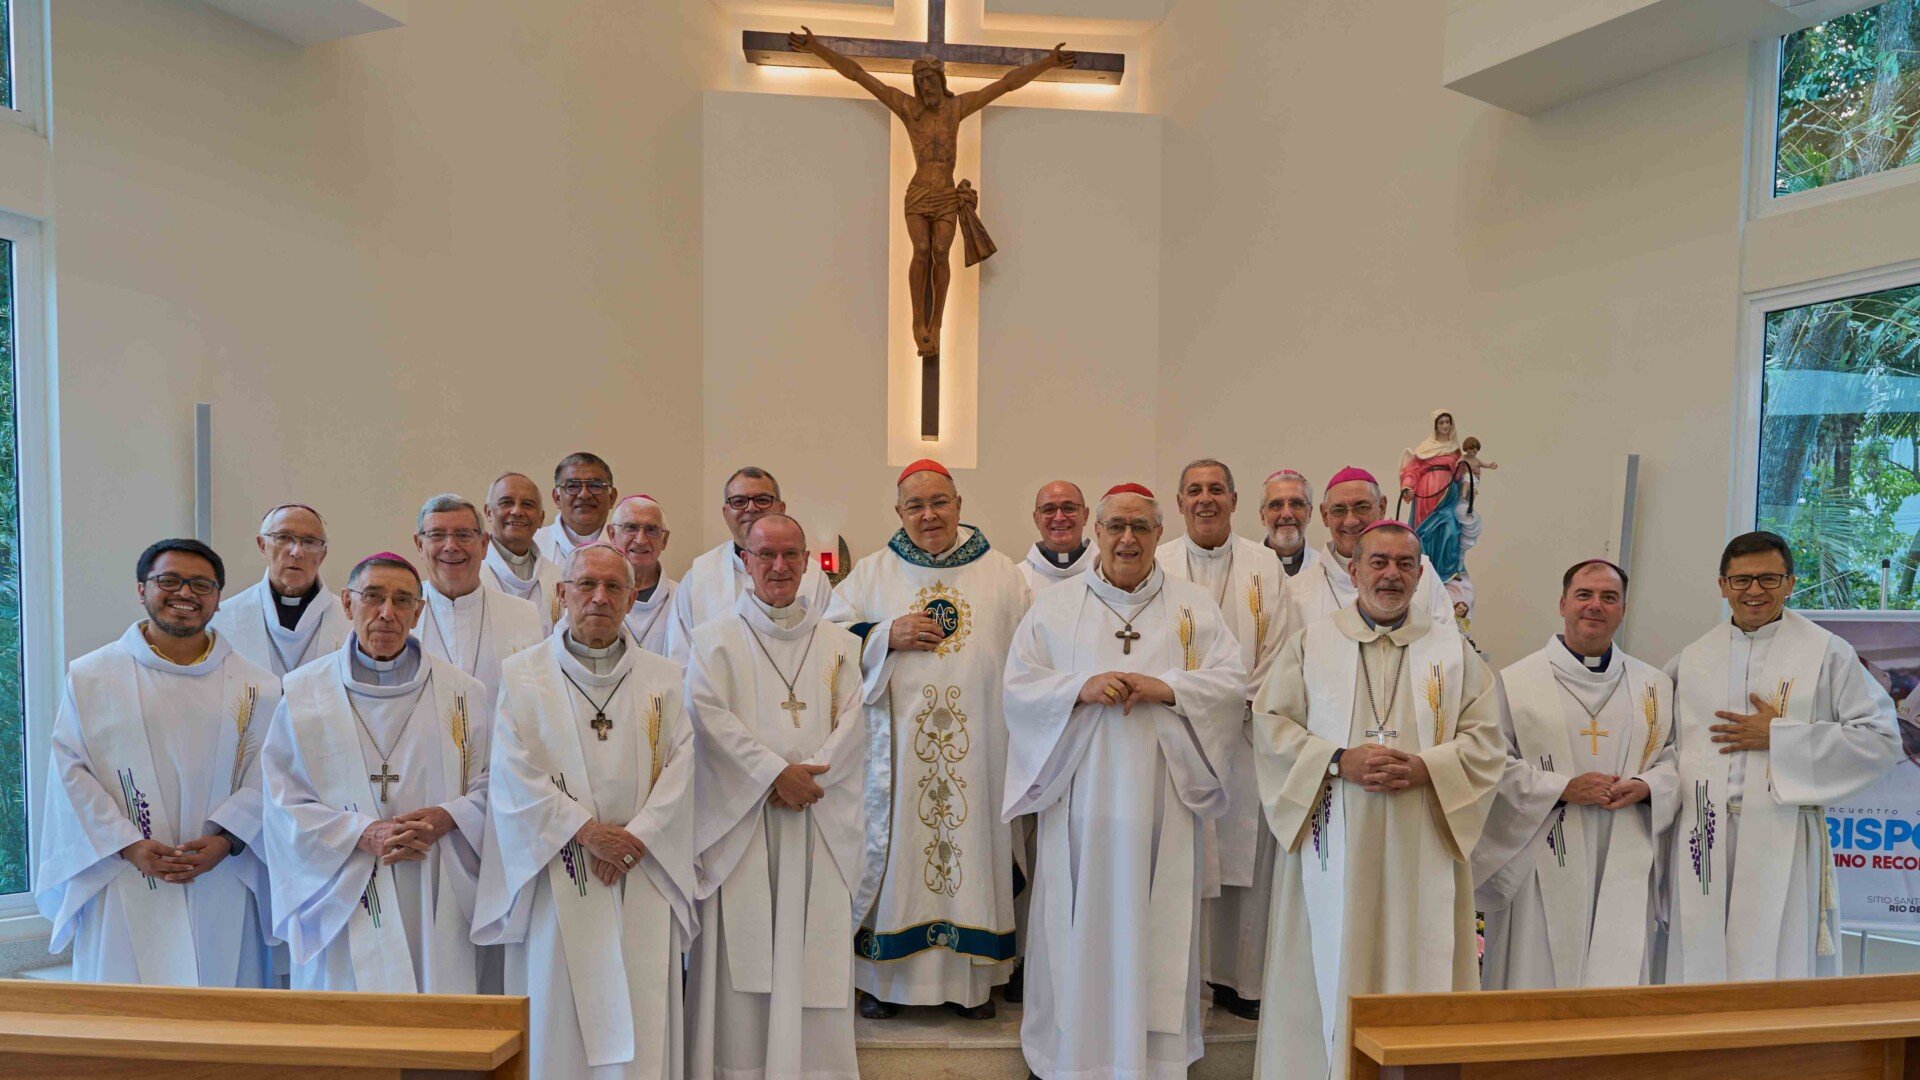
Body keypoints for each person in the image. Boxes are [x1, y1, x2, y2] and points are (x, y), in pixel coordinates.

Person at [1003, 483, 1244, 1080]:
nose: (1127, 539)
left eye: (1140, 527)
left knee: (1155, 923)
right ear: (1098, 532)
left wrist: (1169, 687)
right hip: (1080, 801)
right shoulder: (1054, 609)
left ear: (1160, 534)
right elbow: (1019, 687)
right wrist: (1078, 689)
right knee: (1076, 921)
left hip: (1164, 803)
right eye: (1115, 526)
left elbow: (1230, 684)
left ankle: (1153, 1057)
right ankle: (1070, 1053)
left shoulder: (1194, 608)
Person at [1250, 521, 1505, 1079]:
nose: (1391, 575)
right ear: (1354, 570)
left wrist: (1428, 767)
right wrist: (1338, 760)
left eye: (1405, 564)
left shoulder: (1452, 651)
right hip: (1332, 838)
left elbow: (1488, 742)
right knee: (1330, 959)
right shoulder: (1312, 644)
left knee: (1418, 959)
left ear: (1419, 574)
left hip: (1422, 840)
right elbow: (1270, 727)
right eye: (1379, 562)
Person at [474, 544, 695, 1078]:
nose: (599, 597)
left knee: (640, 1008)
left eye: (613, 587)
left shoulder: (664, 677)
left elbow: (683, 768)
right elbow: (512, 774)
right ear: (562, 593)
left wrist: (635, 839)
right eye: (586, 585)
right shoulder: (522, 675)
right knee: (559, 1013)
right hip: (558, 868)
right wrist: (590, 834)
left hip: (641, 870)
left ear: (632, 598)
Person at [825, 459, 1027, 1020]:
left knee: (973, 850)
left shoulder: (1004, 575)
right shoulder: (872, 573)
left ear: (959, 504)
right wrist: (884, 634)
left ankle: (971, 986)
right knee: (899, 858)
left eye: (939, 502)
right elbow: (829, 640)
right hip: (896, 759)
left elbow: (1032, 658)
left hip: (981, 753)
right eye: (915, 505)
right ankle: (884, 984)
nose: (929, 514)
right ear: (899, 512)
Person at [36, 539, 280, 987]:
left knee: (221, 1002)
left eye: (202, 585)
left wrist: (227, 840)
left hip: (222, 874)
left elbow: (273, 773)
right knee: (128, 1008)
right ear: (141, 589)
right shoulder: (93, 677)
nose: (185, 593)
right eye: (169, 580)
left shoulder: (258, 687)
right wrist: (129, 845)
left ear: (218, 598)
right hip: (125, 872)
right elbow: (71, 771)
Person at [1665, 531, 1900, 982]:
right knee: (1699, 959)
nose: (1754, 590)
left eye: (1769, 578)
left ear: (1790, 583)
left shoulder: (1827, 653)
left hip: (1782, 831)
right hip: (1701, 834)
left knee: (1772, 962)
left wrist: (1781, 736)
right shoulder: (1691, 659)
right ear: (1722, 585)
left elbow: (1881, 739)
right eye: (1741, 580)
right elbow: (1663, 746)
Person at [685, 515, 869, 1080]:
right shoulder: (713, 640)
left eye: (791, 554)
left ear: (808, 562)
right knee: (741, 970)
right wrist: (773, 775)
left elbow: (855, 725)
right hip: (743, 825)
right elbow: (706, 719)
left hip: (816, 820)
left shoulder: (840, 645)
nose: (779, 566)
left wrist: (807, 780)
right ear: (745, 561)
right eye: (766, 555)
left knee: (813, 955)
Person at [260, 552, 490, 992]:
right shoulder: (305, 693)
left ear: (418, 612)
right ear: (347, 603)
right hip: (342, 887)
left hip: (434, 881)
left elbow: (494, 783)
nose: (387, 612)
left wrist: (449, 816)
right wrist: (361, 833)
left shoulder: (465, 694)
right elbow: (282, 800)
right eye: (373, 597)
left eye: (402, 600)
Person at [787, 28, 1074, 358]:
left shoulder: (956, 108)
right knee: (921, 248)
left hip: (946, 196)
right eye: (920, 82)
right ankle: (916, 322)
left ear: (941, 80)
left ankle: (936, 324)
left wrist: (1048, 62)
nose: (925, 87)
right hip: (919, 192)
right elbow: (860, 76)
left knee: (940, 251)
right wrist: (816, 48)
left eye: (930, 81)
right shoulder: (908, 109)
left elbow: (1005, 84)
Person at [1472, 560, 1676, 989]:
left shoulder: (1654, 685)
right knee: (1538, 972)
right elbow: (1491, 762)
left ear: (1623, 610)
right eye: (1584, 595)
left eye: (1609, 597)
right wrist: (1562, 788)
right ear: (1563, 604)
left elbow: (1675, 760)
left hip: (1624, 846)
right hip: (1542, 854)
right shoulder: (1517, 681)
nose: (1595, 605)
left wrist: (1646, 786)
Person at [1155, 458, 1293, 1021]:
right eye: (1194, 490)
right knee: (1180, 856)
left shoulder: (1266, 565)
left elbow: (1283, 645)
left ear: (1235, 501)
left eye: (1216, 489)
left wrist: (1235, 702)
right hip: (1178, 734)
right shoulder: (1158, 562)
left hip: (1245, 734)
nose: (1205, 499)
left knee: (1244, 861)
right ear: (1179, 503)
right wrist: (1194, 703)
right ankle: (1179, 981)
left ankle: (1239, 980)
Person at [665, 466, 831, 665]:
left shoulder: (813, 577)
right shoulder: (698, 578)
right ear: (726, 513)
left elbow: (830, 647)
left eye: (762, 499)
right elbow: (679, 659)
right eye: (739, 501)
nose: (751, 508)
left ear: (781, 509)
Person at [412, 494, 545, 707]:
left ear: (484, 544)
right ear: (419, 545)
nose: (450, 546)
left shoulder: (523, 615)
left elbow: (536, 704)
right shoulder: (401, 615)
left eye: (463, 535)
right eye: (437, 535)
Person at [1289, 467, 1453, 630]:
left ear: (1382, 507)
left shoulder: (1420, 572)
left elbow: (1446, 638)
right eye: (1339, 510)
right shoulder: (1298, 589)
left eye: (1362, 507)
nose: (1351, 521)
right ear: (1325, 515)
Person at [211, 503, 349, 677]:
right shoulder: (223, 619)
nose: (297, 552)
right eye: (284, 537)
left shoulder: (350, 621)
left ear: (322, 555)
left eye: (310, 541)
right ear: (262, 545)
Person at [483, 472, 565, 631]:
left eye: (528, 504)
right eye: (507, 502)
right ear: (488, 512)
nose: (517, 511)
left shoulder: (557, 578)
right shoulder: (471, 574)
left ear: (541, 518)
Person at [605, 495, 677, 655]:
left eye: (651, 530)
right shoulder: (597, 597)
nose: (641, 540)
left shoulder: (682, 598)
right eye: (631, 528)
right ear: (612, 535)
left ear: (664, 540)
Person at [537, 452, 619, 564]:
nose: (584, 494)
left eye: (595, 486)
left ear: (611, 498)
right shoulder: (532, 545)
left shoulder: (629, 545)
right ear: (557, 498)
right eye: (572, 486)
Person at [1017, 480, 1095, 593]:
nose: (1059, 518)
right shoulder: (1018, 577)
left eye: (1069, 508)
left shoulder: (1109, 573)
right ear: (1036, 519)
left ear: (1085, 515)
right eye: (1049, 510)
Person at [1398, 409, 1461, 529]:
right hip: (1427, 491)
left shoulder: (1455, 448)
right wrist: (1407, 485)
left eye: (1447, 422)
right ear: (1435, 426)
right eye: (1441, 422)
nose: (1445, 425)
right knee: (1425, 525)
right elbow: (1413, 469)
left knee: (1451, 528)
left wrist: (1472, 472)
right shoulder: (1426, 448)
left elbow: (1460, 474)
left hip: (1450, 493)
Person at [1259, 469, 1319, 579]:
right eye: (1276, 505)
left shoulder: (1324, 569)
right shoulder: (1244, 565)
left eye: (1296, 503)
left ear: (1309, 513)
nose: (1286, 514)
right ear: (1263, 516)